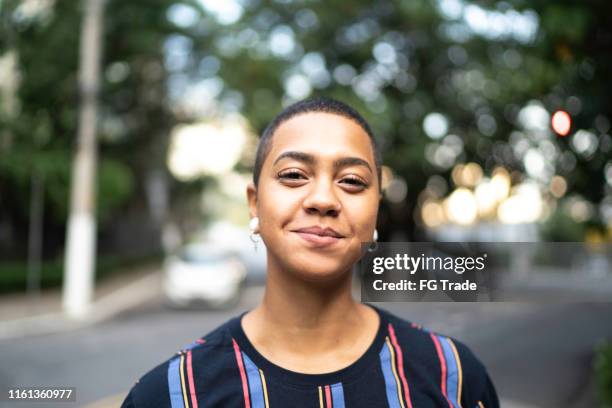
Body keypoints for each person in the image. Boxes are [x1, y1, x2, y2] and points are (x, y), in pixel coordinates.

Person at [121, 97, 499, 407]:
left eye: (352, 181)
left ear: (375, 210)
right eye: (293, 175)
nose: (322, 199)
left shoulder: (453, 378)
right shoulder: (171, 395)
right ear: (255, 203)